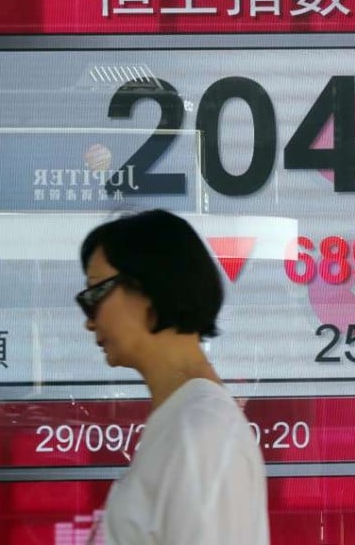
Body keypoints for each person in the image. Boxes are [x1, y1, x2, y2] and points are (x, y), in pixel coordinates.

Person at [76, 209, 269, 544]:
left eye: (94, 294)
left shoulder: (202, 434)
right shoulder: (182, 422)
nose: (89, 322)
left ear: (149, 287)